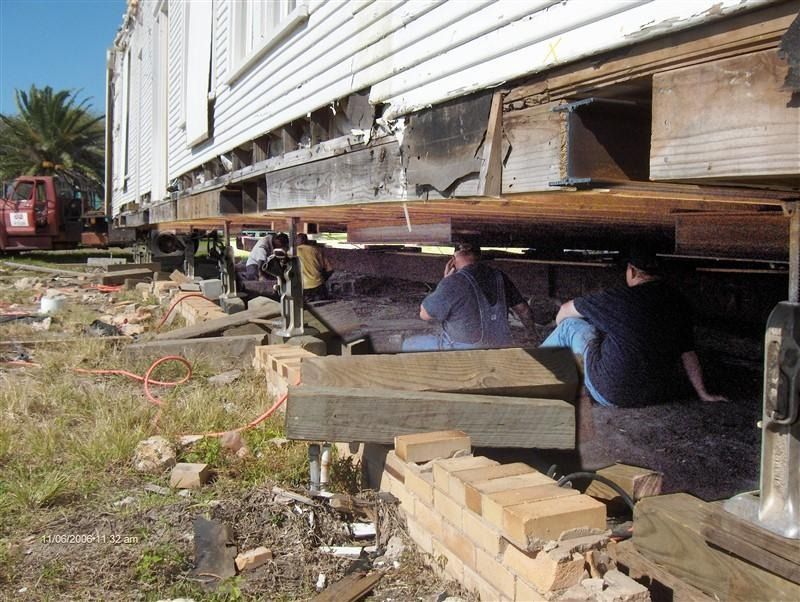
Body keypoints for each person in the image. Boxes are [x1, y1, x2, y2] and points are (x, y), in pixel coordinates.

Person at [540, 246, 726, 407]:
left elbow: (564, 311)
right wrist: (703, 393)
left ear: (632, 271)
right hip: (651, 397)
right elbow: (688, 353)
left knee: (570, 326)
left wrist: (563, 338)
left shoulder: (618, 298)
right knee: (600, 333)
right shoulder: (679, 302)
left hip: (609, 394)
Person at [402, 242, 535, 351]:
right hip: (500, 346)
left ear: (454, 259)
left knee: (408, 344)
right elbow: (524, 310)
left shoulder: (453, 281)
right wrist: (531, 334)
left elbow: (425, 315)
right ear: (478, 255)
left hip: (464, 349)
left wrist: (444, 281)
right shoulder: (499, 276)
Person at [295, 233, 334, 301]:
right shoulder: (316, 250)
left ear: (296, 241)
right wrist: (323, 279)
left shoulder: (292, 252)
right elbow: (330, 269)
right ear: (306, 240)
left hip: (302, 286)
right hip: (318, 285)